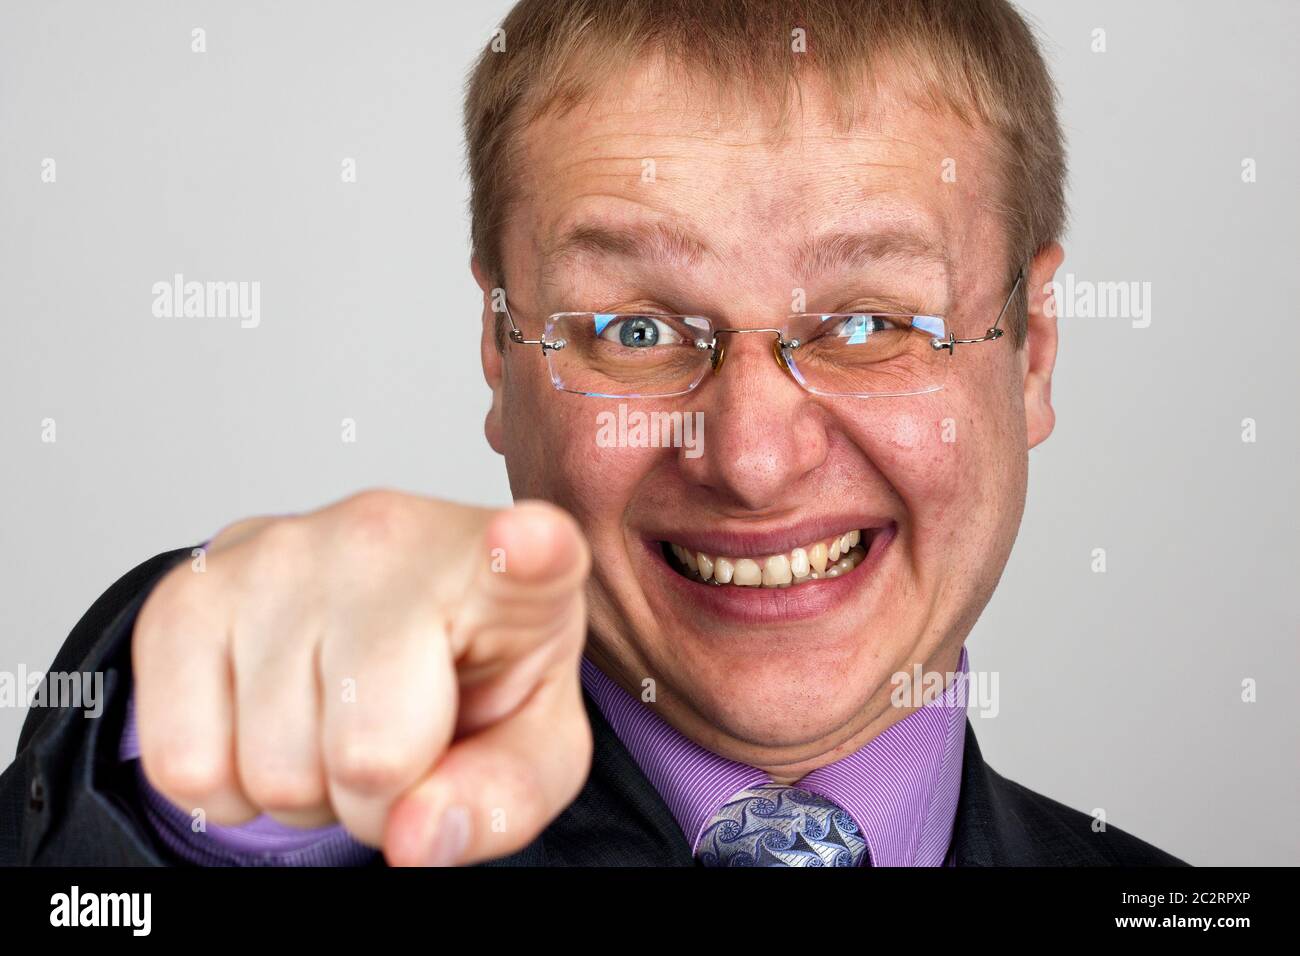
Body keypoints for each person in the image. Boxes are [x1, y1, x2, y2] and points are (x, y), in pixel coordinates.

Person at [0, 0, 1185, 867]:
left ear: (1029, 348)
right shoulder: (298, 842)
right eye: (632, 328)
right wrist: (197, 783)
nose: (752, 459)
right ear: (498, 350)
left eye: (870, 321)